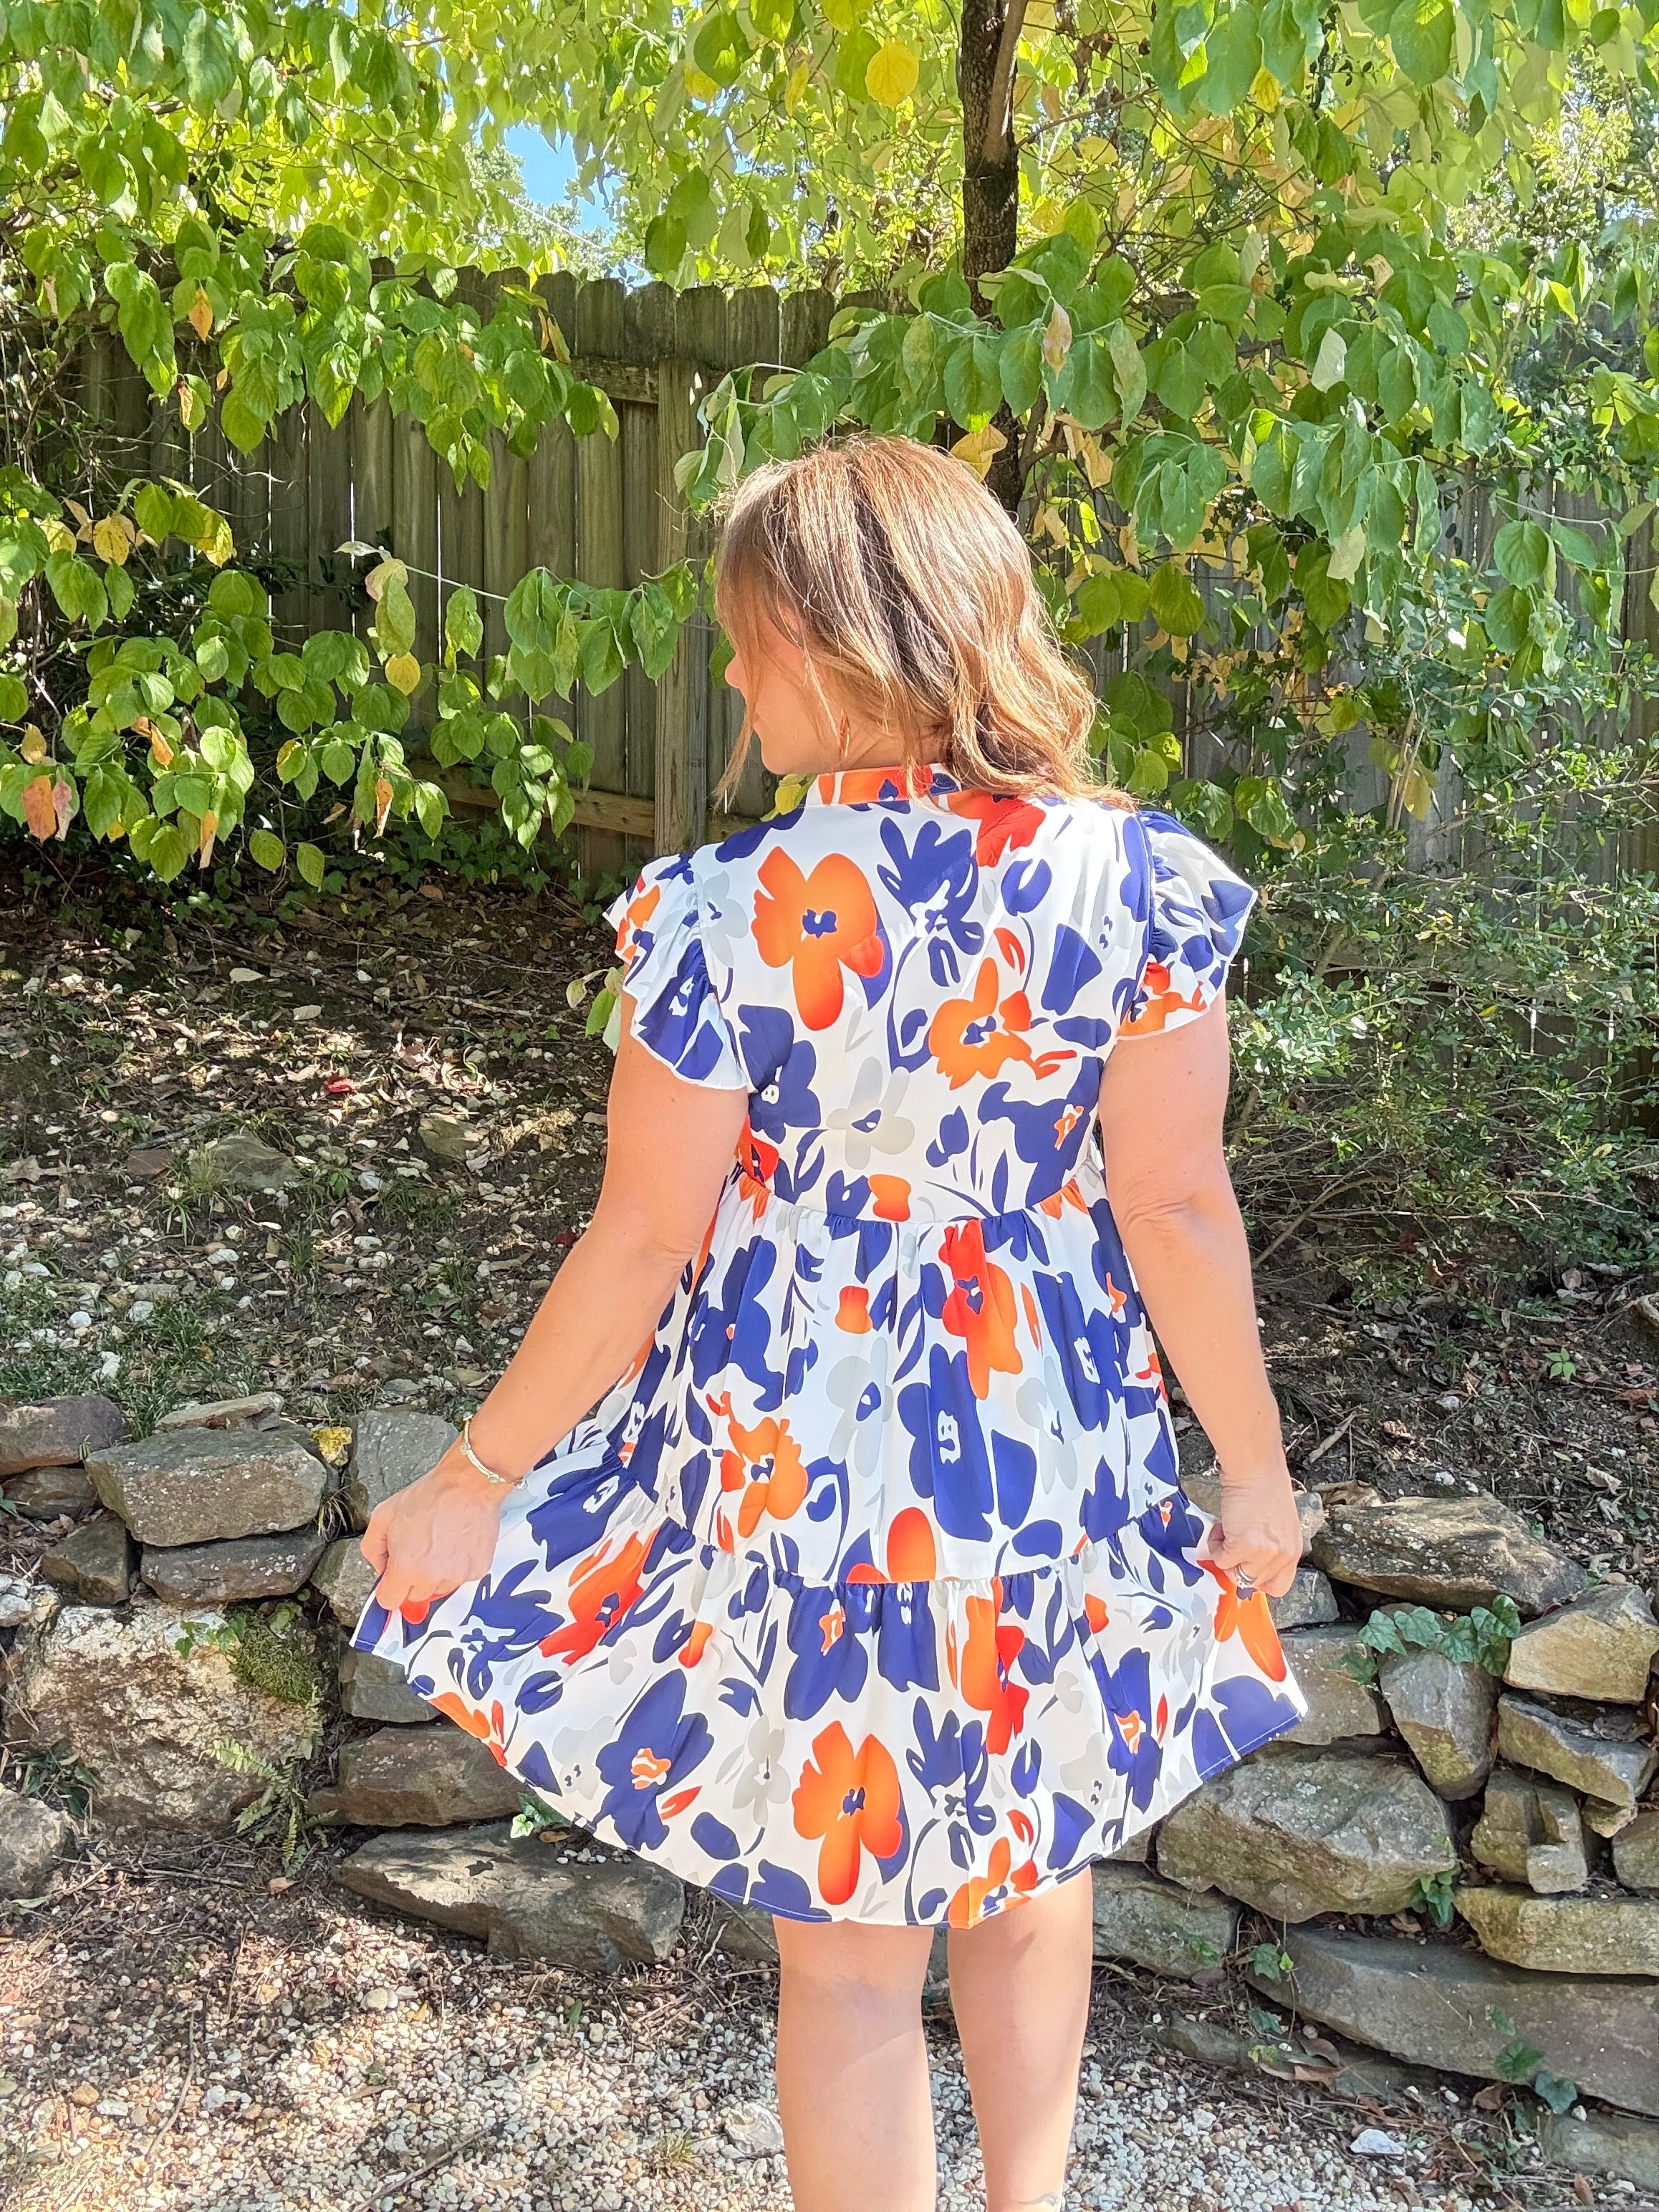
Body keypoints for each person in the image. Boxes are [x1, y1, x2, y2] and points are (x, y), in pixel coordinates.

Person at [356, 433, 1307, 2212]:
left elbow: (647, 1235)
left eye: (746, 644)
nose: (730, 680)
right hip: (1045, 1459)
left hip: (808, 1471)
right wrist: (1250, 1472)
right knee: (1029, 1868)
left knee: (856, 1954)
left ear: (835, 640)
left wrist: (478, 1473)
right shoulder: (1133, 885)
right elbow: (1176, 1205)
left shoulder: (727, 917)